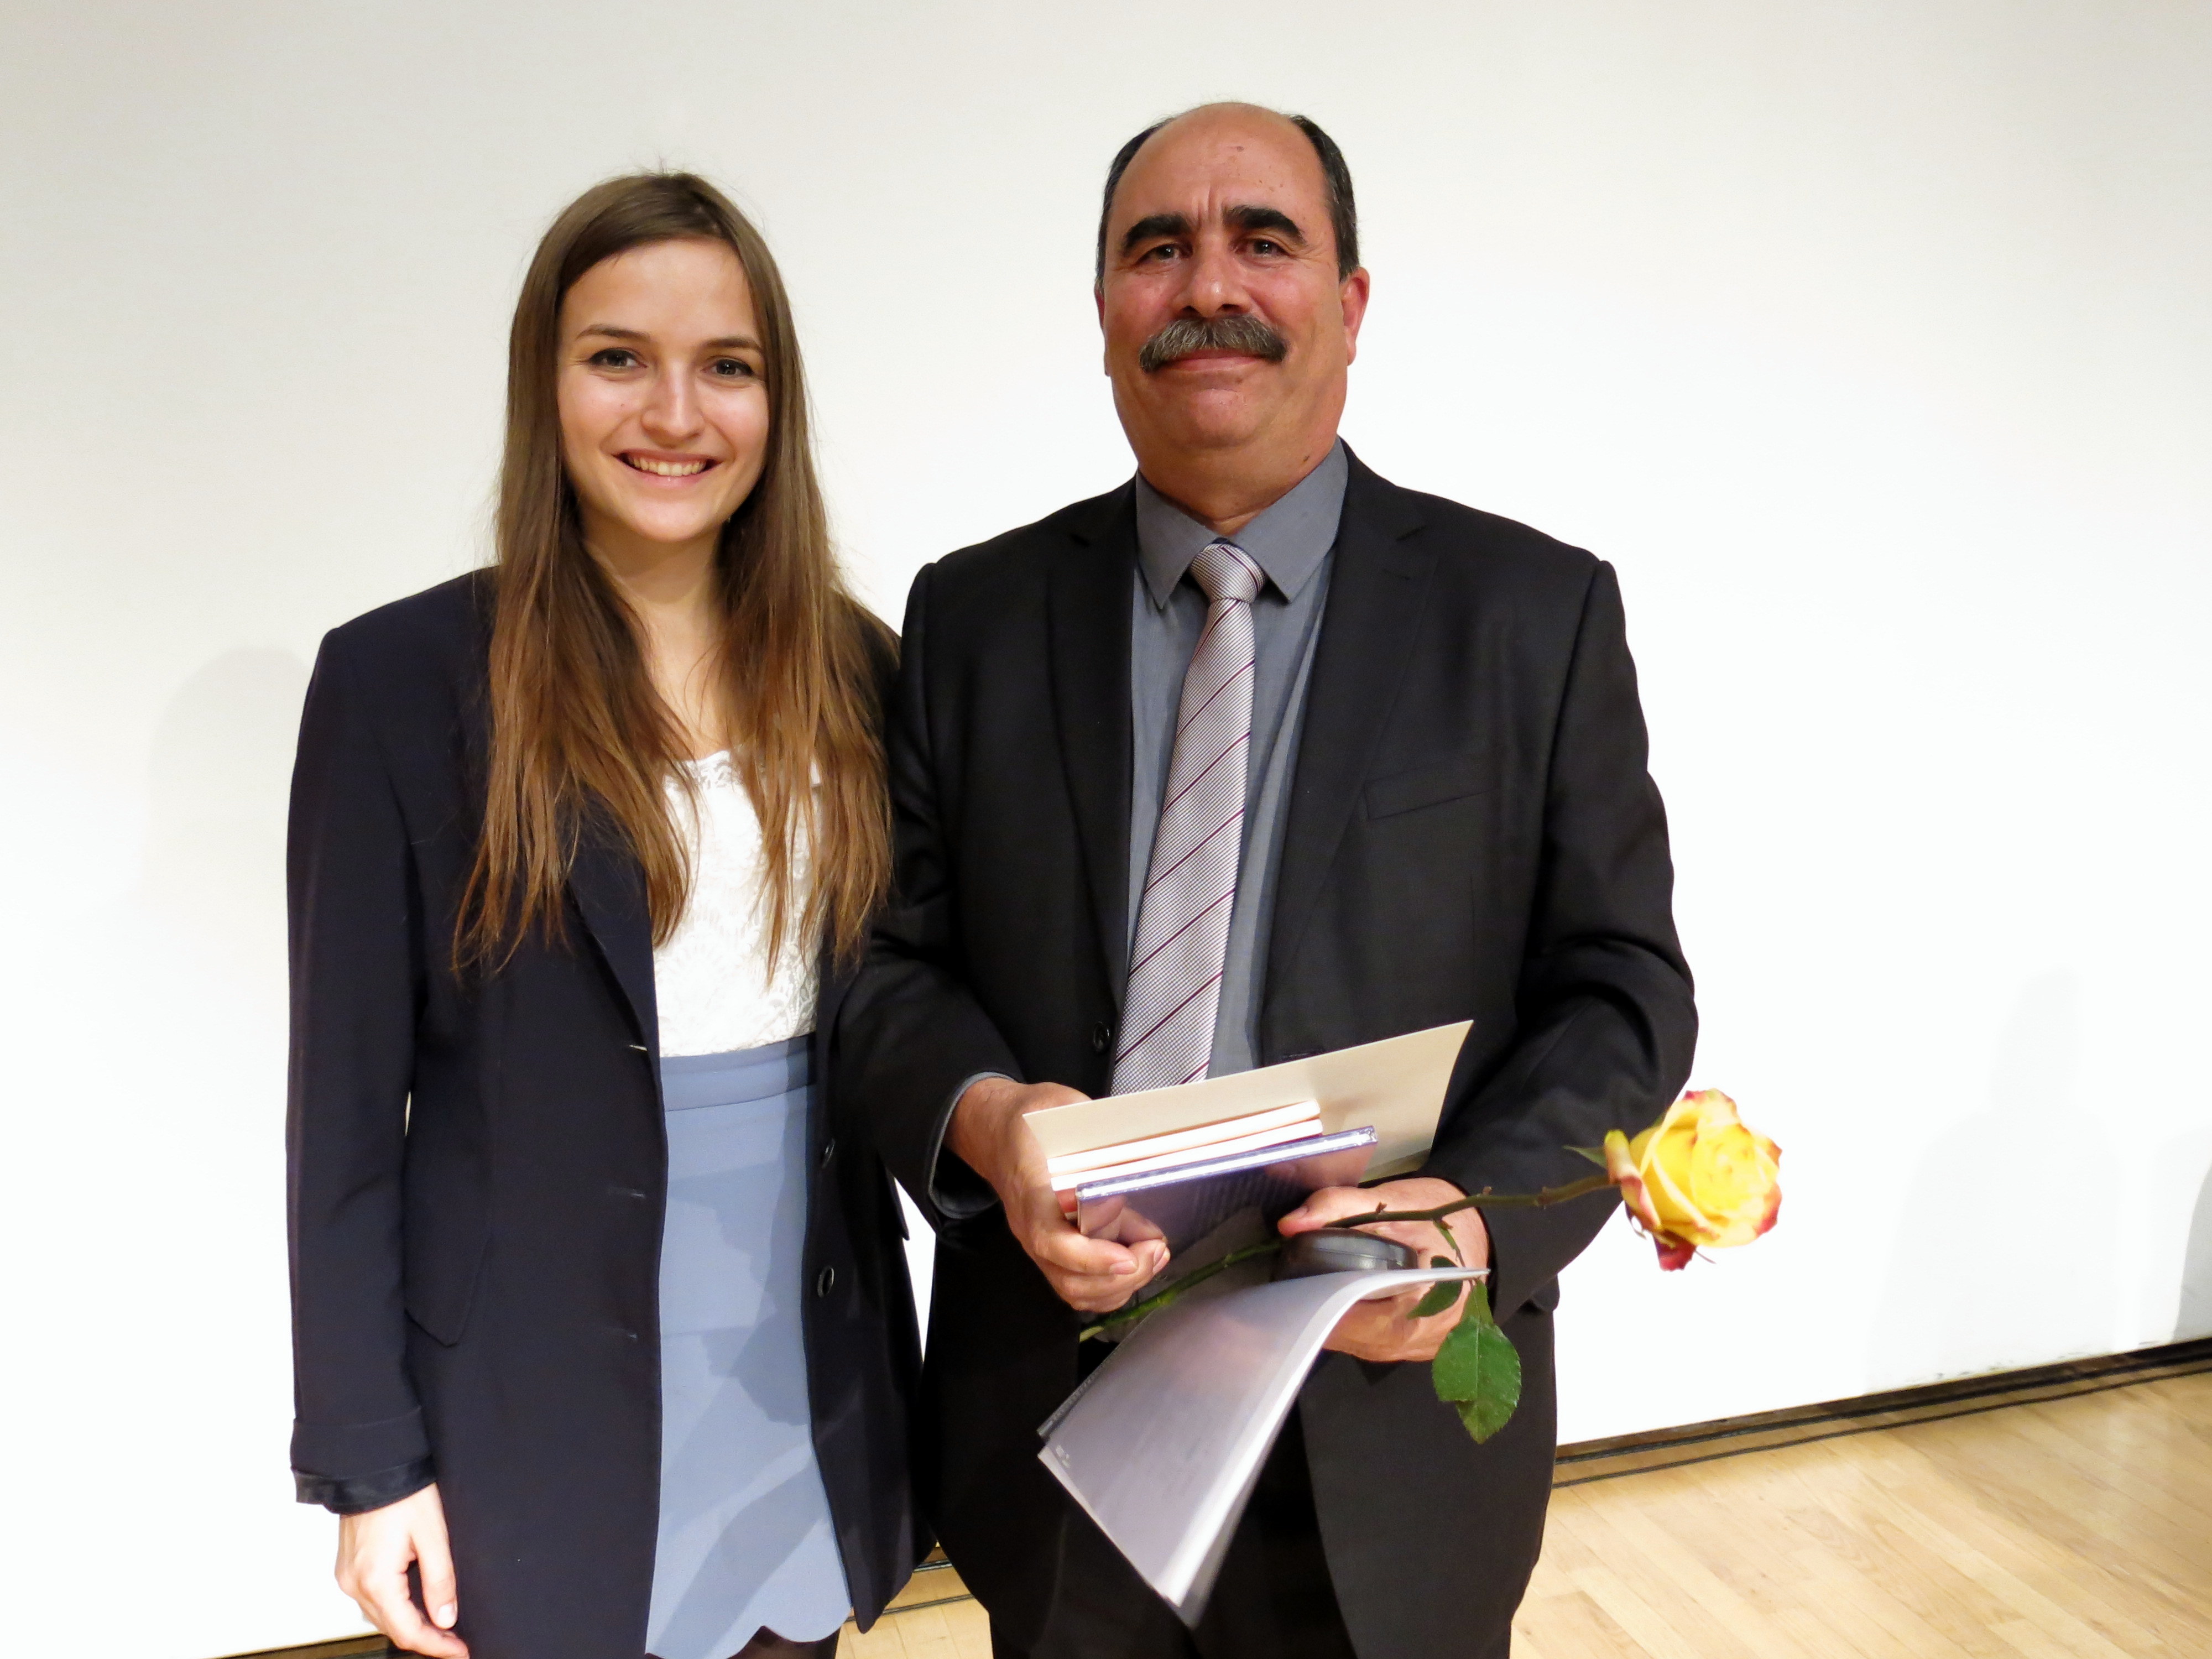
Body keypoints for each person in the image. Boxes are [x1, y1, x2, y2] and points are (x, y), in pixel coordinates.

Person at [833, 104, 1697, 1659]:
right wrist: (991, 1120)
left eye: (1265, 241)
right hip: (1058, 1435)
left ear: (1351, 304)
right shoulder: (974, 618)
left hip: (1393, 1424)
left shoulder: (1532, 614)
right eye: (1158, 248)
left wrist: (1476, 1222)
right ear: (1106, 309)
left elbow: (1621, 992)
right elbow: (890, 968)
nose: (1209, 285)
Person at [286, 172, 922, 1659]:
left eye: (727, 366)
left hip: (802, 1380)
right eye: (619, 357)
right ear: (546, 381)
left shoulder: (862, 672)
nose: (675, 414)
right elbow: (343, 1128)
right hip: (529, 1413)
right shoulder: (400, 687)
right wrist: (371, 1465)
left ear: (777, 400)